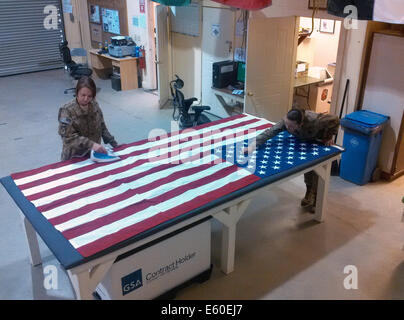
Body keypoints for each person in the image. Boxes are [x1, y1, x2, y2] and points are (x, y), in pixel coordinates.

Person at [244, 108, 340, 212]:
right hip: (302, 142)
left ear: (300, 124)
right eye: (286, 124)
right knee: (307, 167)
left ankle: (317, 198)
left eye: (291, 126)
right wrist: (252, 146)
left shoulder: (314, 120)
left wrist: (329, 135)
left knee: (317, 169)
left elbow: (334, 120)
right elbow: (269, 132)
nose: (287, 127)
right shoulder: (286, 122)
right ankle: (309, 192)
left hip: (315, 140)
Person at [58, 76, 118, 161]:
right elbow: (69, 138)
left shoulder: (94, 105)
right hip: (75, 158)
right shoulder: (66, 110)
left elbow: (102, 127)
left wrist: (114, 144)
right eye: (83, 95)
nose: (86, 99)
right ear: (77, 92)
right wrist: (91, 144)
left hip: (94, 155)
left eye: (90, 96)